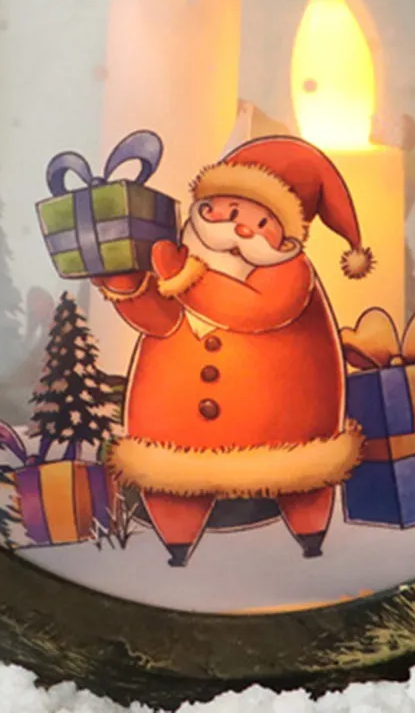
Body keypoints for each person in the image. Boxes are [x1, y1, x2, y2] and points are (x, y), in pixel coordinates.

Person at [92, 135, 372, 565]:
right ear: (206, 206)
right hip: (176, 430)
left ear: (285, 238)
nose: (243, 230)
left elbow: (256, 309)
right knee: (174, 484)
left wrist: (187, 277)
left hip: (281, 430)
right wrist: (129, 288)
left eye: (263, 224)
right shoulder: (186, 256)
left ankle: (310, 537)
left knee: (298, 482)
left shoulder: (288, 273)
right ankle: (178, 546)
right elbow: (162, 323)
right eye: (234, 212)